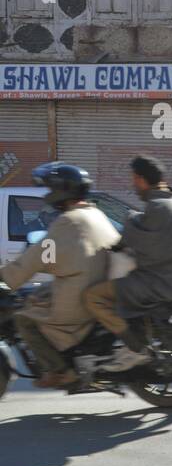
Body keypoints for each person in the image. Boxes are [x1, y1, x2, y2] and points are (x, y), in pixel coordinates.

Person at [0, 162, 120, 388]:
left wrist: (4, 277)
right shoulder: (94, 214)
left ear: (61, 191)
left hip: (76, 298)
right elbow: (54, 256)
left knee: (23, 319)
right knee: (35, 295)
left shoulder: (68, 222)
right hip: (95, 289)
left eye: (50, 189)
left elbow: (33, 260)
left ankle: (61, 371)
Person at [84, 155, 172, 371]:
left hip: (160, 282)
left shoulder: (157, 207)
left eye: (133, 179)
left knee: (94, 296)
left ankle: (134, 348)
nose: (133, 185)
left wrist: (128, 222)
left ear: (140, 179)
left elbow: (137, 239)